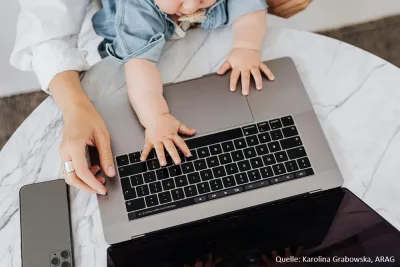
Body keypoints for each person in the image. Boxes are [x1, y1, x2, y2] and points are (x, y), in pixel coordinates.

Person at [10, 0, 312, 195]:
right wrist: (156, 118)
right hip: (122, 58)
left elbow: (250, 9)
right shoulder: (137, 11)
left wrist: (246, 47)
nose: (193, 5)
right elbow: (139, 68)